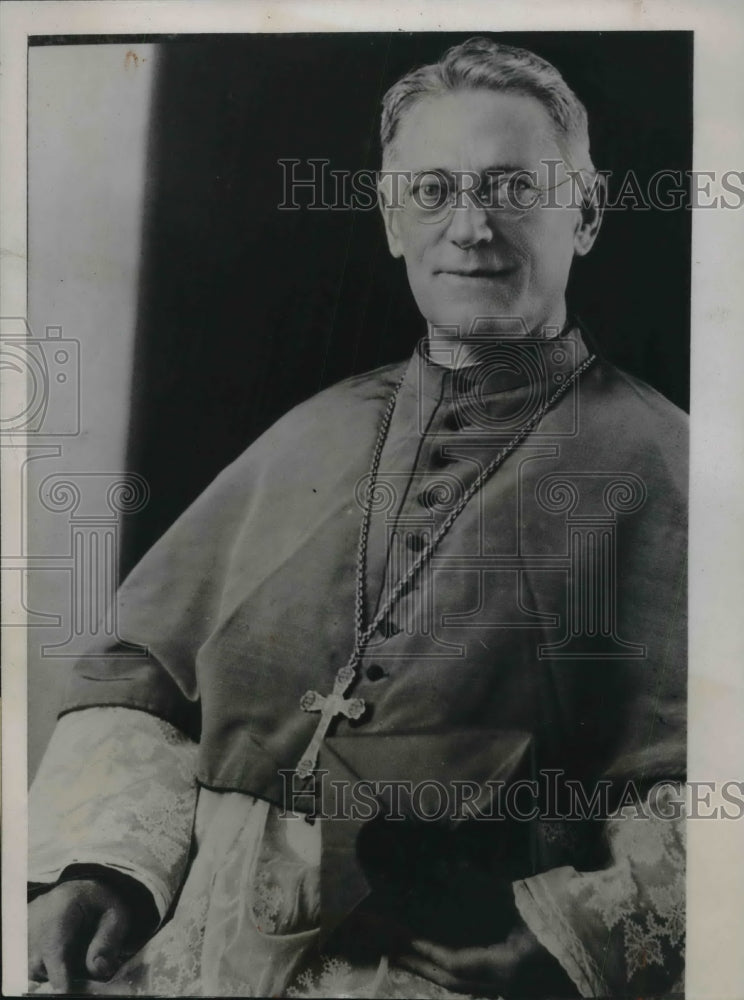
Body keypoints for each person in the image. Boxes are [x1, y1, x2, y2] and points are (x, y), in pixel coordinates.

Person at [28, 37, 687, 998]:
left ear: (584, 213)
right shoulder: (313, 432)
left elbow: (697, 776)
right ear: (388, 219)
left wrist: (581, 937)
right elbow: (147, 681)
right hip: (195, 955)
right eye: (431, 192)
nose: (470, 227)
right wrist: (99, 870)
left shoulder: (672, 465)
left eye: (513, 188)